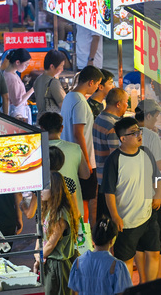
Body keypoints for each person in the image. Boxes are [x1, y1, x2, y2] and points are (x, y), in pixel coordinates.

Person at [100, 117, 161, 283]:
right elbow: (109, 192)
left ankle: (148, 287)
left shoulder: (146, 153)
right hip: (125, 221)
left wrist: (158, 195)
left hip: (149, 215)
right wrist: (115, 216)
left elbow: (157, 177)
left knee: (153, 253)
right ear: (123, 138)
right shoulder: (114, 161)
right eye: (133, 133)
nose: (139, 135)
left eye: (138, 131)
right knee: (126, 260)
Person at [134, 99, 161, 280]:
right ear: (149, 115)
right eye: (156, 116)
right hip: (155, 197)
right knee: (158, 246)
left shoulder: (129, 132)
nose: (157, 120)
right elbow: (158, 165)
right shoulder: (152, 137)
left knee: (139, 244)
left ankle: (143, 281)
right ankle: (157, 282)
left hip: (135, 196)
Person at [61, 66, 103, 226]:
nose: (97, 88)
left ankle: (80, 234)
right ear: (91, 82)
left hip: (72, 159)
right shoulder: (79, 101)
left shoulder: (69, 97)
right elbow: (78, 133)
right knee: (84, 201)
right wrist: (85, 162)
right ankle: (83, 237)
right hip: (82, 162)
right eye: (97, 84)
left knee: (78, 201)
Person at [33, 171, 78, 295]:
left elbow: (51, 244)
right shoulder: (46, 208)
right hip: (46, 261)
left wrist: (38, 259)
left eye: (45, 188)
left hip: (58, 266)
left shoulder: (62, 213)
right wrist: (37, 256)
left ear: (55, 190)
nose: (40, 191)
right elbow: (39, 236)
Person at [38, 112, 90, 217]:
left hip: (49, 213)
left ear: (41, 128)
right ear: (61, 128)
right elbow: (86, 175)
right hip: (73, 210)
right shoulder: (75, 148)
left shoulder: (36, 151)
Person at [68, 216, 133, 295]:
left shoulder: (78, 262)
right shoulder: (117, 266)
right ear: (112, 240)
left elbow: (74, 292)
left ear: (92, 237)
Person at [94, 88, 129, 219]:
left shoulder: (100, 117)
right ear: (118, 104)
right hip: (111, 182)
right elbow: (116, 157)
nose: (127, 106)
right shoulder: (113, 126)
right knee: (111, 220)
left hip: (101, 177)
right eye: (126, 102)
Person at [4, 49, 34, 123]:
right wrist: (33, 89)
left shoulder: (9, 73)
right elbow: (17, 102)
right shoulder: (12, 78)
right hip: (16, 114)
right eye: (26, 64)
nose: (27, 66)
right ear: (17, 62)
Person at [34, 50, 66, 117]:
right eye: (61, 66)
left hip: (41, 119)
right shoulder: (53, 82)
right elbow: (63, 105)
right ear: (52, 66)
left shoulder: (38, 79)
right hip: (52, 122)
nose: (62, 69)